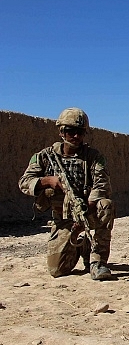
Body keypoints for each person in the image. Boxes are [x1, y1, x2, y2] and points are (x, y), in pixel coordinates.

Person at [19, 107, 115, 280]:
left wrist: (83, 216)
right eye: (71, 132)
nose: (76, 137)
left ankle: (97, 261)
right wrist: (48, 181)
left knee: (106, 205)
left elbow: (102, 186)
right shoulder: (45, 157)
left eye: (80, 132)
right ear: (61, 131)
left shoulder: (93, 157)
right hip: (62, 219)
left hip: (88, 212)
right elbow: (24, 182)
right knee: (58, 270)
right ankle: (83, 246)